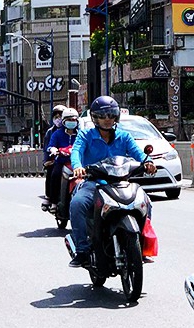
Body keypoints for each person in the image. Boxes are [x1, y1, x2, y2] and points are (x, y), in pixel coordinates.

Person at [68, 96, 156, 268]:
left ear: (116, 117)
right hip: (94, 183)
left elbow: (138, 153)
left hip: (121, 183)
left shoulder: (124, 136)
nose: (107, 119)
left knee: (146, 203)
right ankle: (82, 250)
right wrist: (78, 167)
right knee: (77, 204)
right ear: (95, 118)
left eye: (111, 115)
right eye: (103, 115)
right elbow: (76, 152)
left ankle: (142, 245)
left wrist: (148, 162)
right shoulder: (86, 135)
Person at [44, 107, 80, 210]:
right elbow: (50, 146)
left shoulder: (80, 134)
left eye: (73, 120)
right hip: (61, 162)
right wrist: (54, 150)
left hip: (76, 163)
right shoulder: (57, 133)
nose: (71, 122)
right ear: (64, 121)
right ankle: (54, 202)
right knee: (55, 175)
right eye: (69, 120)